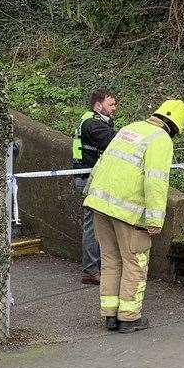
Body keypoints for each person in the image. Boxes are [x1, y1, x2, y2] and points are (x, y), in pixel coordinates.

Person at [84, 99, 184, 333]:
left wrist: (90, 195)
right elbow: (155, 181)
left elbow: (102, 163)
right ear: (174, 127)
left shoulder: (129, 128)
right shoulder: (160, 139)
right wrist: (154, 219)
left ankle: (110, 315)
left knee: (110, 261)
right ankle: (129, 318)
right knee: (135, 263)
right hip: (129, 213)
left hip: (100, 205)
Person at [74, 89, 118, 285]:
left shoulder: (91, 121)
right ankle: (91, 270)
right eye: (111, 104)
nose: (114, 108)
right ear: (98, 106)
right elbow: (116, 142)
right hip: (90, 179)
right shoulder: (94, 124)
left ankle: (96, 267)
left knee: (98, 225)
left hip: (91, 178)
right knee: (93, 226)